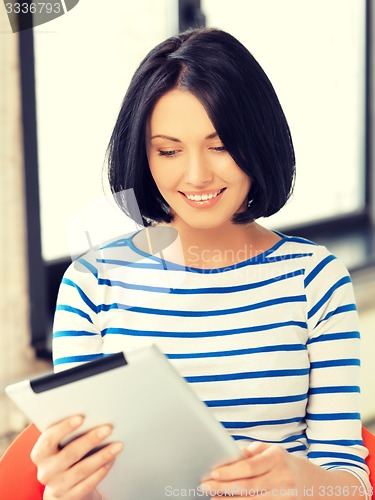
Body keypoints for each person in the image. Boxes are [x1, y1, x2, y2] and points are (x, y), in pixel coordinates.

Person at [30, 27, 372, 500]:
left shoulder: (316, 280)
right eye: (169, 151)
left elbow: (350, 482)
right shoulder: (92, 285)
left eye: (220, 146)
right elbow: (94, 479)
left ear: (257, 142)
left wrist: (304, 482)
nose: (196, 175)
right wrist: (66, 489)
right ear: (144, 156)